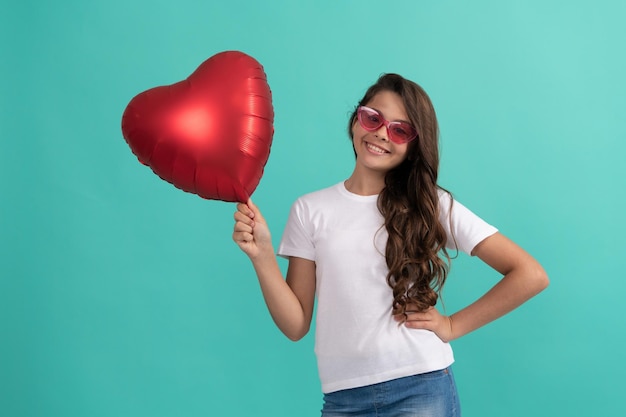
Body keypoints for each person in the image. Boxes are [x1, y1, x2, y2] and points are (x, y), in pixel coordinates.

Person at [232, 73, 549, 417]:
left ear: (413, 146)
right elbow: (296, 325)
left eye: (400, 130)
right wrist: (262, 257)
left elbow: (530, 274)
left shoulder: (430, 204)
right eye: (373, 118)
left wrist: (452, 325)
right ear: (356, 120)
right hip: (343, 400)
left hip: (421, 387)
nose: (382, 133)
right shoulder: (310, 210)